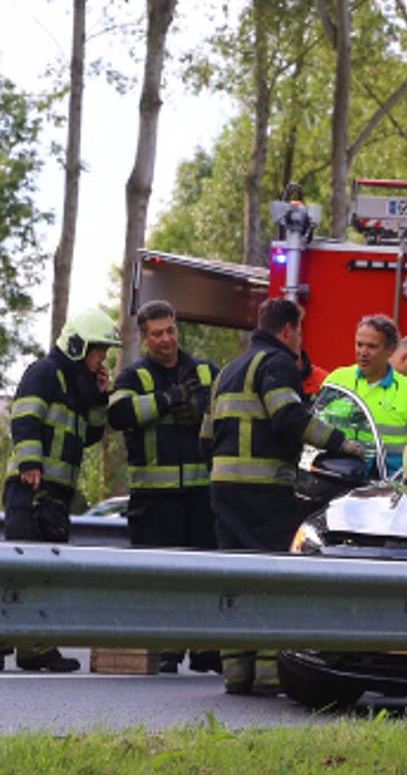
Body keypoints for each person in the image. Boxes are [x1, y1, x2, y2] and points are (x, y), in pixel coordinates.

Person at [202, 297, 364, 695]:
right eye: (300, 332)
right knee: (274, 577)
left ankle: (236, 674)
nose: (300, 340)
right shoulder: (276, 364)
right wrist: (341, 443)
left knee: (234, 580)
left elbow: (205, 437)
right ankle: (270, 673)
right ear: (288, 330)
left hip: (224, 490)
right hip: (264, 491)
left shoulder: (229, 369)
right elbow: (288, 418)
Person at [2, 308, 119, 673]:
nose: (102, 357)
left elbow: (92, 436)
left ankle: (35, 647)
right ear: (77, 345)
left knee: (43, 569)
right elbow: (25, 418)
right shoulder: (44, 372)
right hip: (29, 486)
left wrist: (100, 397)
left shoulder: (77, 387)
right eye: (98, 349)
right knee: (21, 568)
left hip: (55, 491)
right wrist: (31, 464)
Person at [107, 300, 221, 675]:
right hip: (155, 500)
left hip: (202, 495)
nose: (166, 339)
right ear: (144, 337)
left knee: (204, 575)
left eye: (170, 330)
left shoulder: (205, 370)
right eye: (157, 333)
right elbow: (119, 414)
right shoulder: (134, 376)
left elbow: (229, 408)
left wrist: (203, 406)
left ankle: (206, 649)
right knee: (162, 576)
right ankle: (167, 648)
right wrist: (166, 401)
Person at [323, 315, 407, 473]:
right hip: (330, 478)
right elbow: (312, 425)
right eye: (359, 345)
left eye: (372, 347)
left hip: (382, 487)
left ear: (390, 351)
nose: (363, 352)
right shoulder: (337, 379)